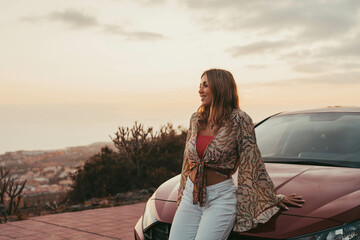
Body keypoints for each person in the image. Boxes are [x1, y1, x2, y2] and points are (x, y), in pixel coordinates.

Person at [169, 69, 305, 240]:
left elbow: (252, 161)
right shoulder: (196, 119)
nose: (200, 90)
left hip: (220, 199)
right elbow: (187, 162)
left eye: (205, 85)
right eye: (199, 85)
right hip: (191, 195)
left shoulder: (240, 120)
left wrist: (271, 197)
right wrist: (183, 190)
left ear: (220, 87)